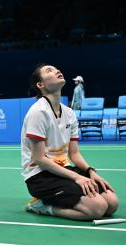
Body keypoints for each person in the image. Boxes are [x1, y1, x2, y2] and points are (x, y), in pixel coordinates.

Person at [22, 64, 119, 221]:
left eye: (56, 69)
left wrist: (90, 172)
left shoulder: (69, 113)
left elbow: (73, 153)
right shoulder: (38, 112)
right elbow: (39, 159)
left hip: (63, 170)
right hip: (39, 176)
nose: (57, 71)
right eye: (49, 71)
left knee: (112, 203)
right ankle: (43, 207)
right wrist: (77, 178)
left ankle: (69, 195)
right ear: (40, 85)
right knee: (97, 208)